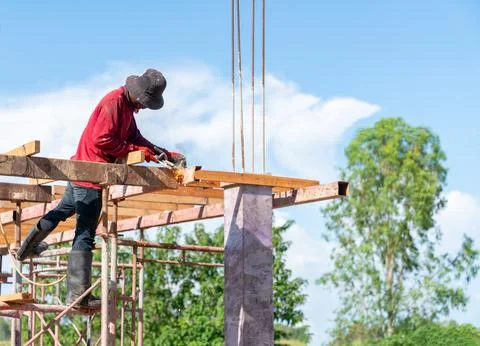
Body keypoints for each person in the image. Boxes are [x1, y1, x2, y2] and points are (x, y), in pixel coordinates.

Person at [16, 68, 184, 308]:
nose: (145, 107)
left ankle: (27, 248)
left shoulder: (126, 108)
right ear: (138, 93)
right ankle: (77, 295)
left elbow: (136, 138)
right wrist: (132, 151)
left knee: (63, 210)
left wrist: (161, 152)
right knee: (85, 232)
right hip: (90, 174)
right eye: (145, 102)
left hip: (82, 169)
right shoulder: (114, 102)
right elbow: (101, 140)